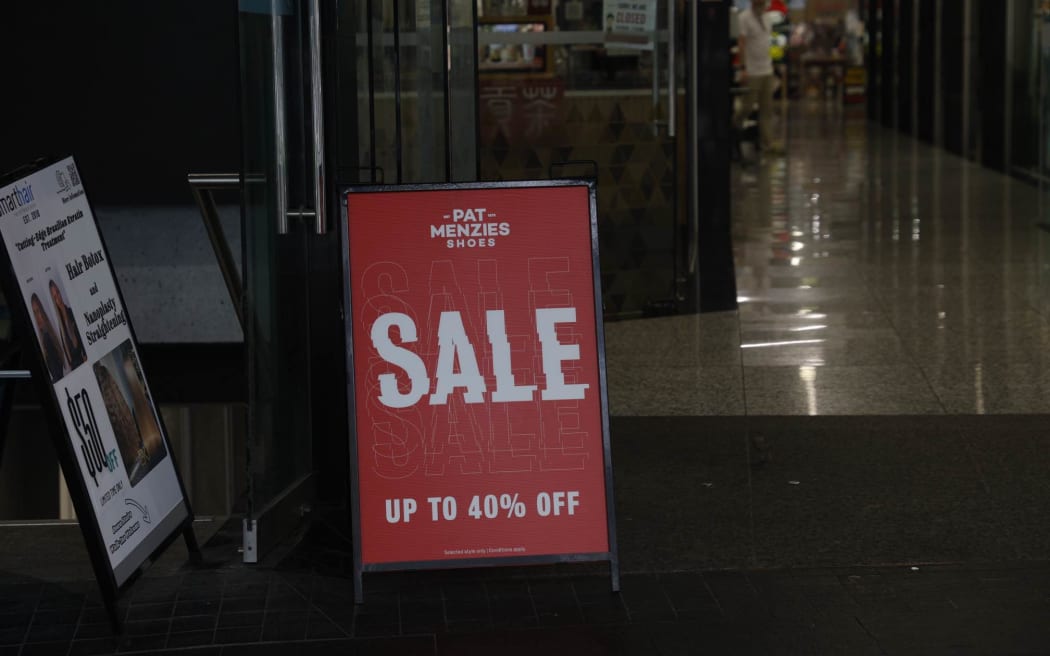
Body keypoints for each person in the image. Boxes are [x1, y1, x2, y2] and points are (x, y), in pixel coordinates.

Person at [734, 0, 784, 156]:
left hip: (766, 69)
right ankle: (732, 129)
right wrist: (743, 68)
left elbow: (766, 42)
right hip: (752, 70)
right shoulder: (744, 18)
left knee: (766, 109)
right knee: (747, 106)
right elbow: (741, 43)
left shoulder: (767, 17)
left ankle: (766, 144)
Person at [49, 279, 87, 371]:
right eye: (55, 297)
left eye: (58, 292)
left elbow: (80, 332)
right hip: (74, 364)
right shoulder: (59, 323)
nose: (58, 297)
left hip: (83, 357)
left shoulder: (70, 312)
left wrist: (85, 354)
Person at [30, 293, 66, 382]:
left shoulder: (49, 337)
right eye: (34, 313)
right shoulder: (44, 339)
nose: (37, 317)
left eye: (38, 311)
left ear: (42, 311)